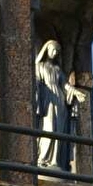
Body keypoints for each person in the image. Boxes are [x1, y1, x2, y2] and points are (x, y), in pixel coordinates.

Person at [33, 39, 87, 172]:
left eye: (57, 51)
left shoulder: (57, 69)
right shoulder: (40, 66)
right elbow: (36, 81)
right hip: (47, 98)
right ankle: (42, 159)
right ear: (47, 50)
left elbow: (65, 84)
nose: (55, 52)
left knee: (59, 130)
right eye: (53, 50)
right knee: (49, 128)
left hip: (59, 100)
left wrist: (76, 92)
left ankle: (54, 160)